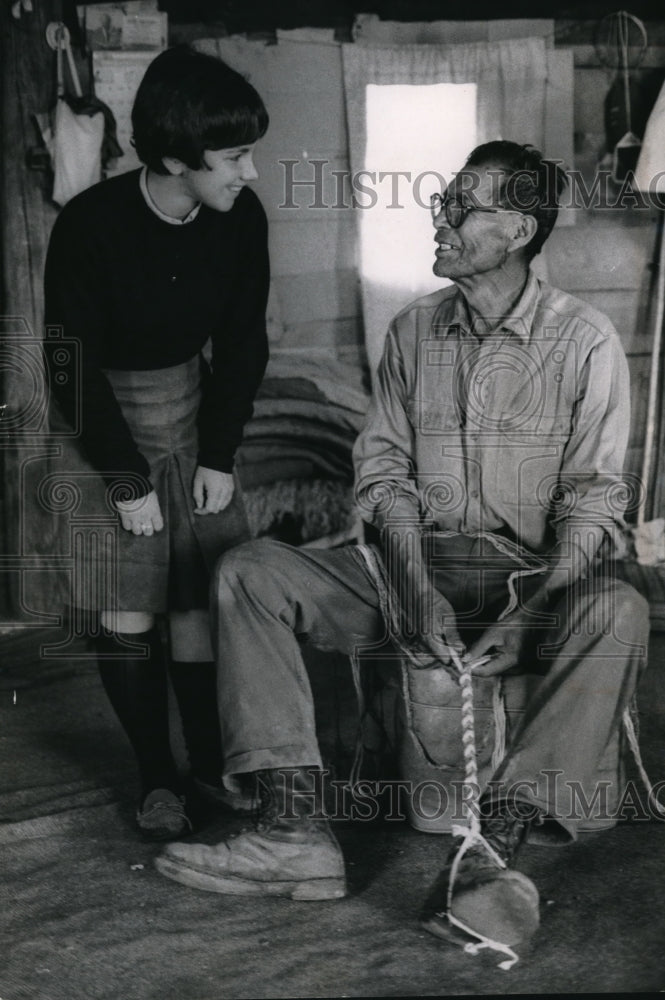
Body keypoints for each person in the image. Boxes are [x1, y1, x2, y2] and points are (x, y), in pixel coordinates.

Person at [153, 141, 648, 954]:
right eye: (442, 201)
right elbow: (382, 474)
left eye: (464, 206)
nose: (441, 217)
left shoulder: (584, 341)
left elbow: (593, 503)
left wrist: (533, 613)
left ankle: (493, 852)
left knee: (620, 609)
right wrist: (412, 585)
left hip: (531, 577)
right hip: (410, 568)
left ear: (518, 229)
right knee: (250, 573)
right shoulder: (415, 329)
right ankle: (294, 831)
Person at [44, 45, 270, 840]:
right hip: (101, 423)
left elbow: (242, 344)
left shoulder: (239, 218)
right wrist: (125, 479)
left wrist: (217, 452)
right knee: (129, 614)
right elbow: (67, 366)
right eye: (235, 156)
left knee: (199, 608)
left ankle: (210, 768)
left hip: (192, 414)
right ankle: (157, 778)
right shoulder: (90, 226)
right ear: (177, 158)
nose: (249, 172)